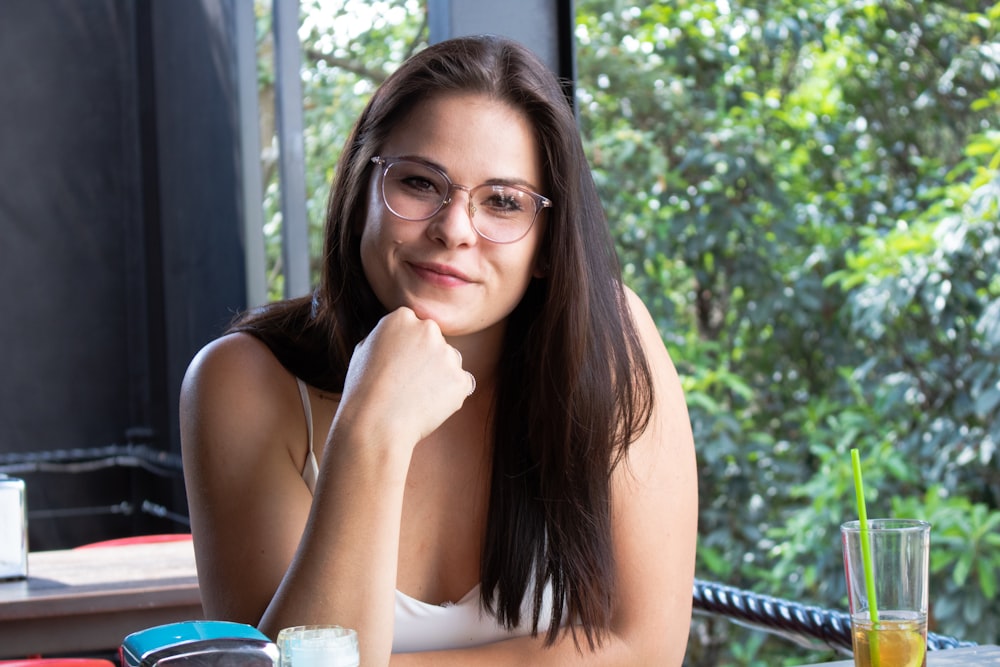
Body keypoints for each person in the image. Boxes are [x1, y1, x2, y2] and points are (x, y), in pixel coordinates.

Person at [180, 34, 697, 665]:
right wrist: (371, 431)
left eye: (503, 202)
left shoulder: (611, 342)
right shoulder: (242, 381)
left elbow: (648, 651)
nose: (454, 229)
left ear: (547, 244)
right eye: (421, 183)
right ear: (360, 191)